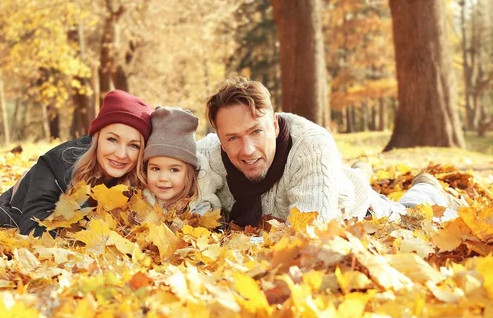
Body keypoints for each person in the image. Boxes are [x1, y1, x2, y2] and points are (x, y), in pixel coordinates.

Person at [196, 77, 467, 227]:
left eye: (256, 132)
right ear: (219, 139)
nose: (247, 150)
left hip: (356, 211)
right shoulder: (208, 155)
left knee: (410, 214)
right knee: (348, 177)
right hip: (327, 183)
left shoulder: (311, 145)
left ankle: (427, 189)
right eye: (233, 138)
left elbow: (309, 231)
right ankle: (356, 172)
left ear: (275, 125)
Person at [0, 90, 154, 237]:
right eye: (112, 139)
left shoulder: (144, 174)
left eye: (133, 145)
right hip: (12, 214)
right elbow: (32, 231)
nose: (121, 154)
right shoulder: (56, 165)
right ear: (96, 137)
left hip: (34, 197)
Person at [142, 106, 219, 215]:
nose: (163, 178)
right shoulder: (140, 203)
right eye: (155, 168)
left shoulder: (200, 208)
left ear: (189, 173)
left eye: (174, 170)